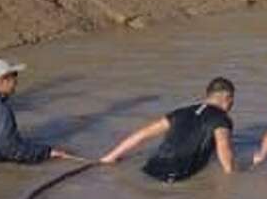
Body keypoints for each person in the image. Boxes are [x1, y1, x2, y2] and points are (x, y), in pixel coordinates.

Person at [99, 77, 238, 181]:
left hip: (150, 169)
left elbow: (141, 134)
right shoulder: (221, 119)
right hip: (177, 176)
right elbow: (223, 147)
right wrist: (231, 178)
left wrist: (110, 157)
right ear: (228, 98)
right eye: (233, 100)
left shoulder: (181, 112)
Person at [0, 58, 76, 164]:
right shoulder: (2, 110)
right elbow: (12, 150)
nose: (16, 81)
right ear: (2, 80)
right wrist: (47, 152)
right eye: (14, 76)